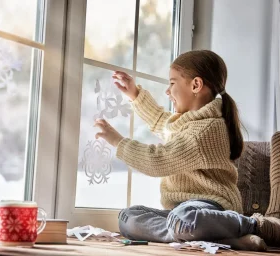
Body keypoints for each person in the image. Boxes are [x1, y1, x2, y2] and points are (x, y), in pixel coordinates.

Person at [94, 50, 280, 251]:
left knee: (183, 220)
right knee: (128, 217)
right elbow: (160, 121)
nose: (167, 91)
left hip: (211, 208)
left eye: (172, 83)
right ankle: (219, 239)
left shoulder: (207, 130)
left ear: (195, 85)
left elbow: (158, 161)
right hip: (180, 212)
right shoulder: (185, 123)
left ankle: (253, 226)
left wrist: (118, 141)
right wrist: (134, 94)